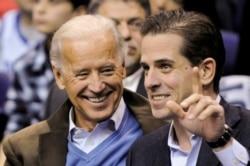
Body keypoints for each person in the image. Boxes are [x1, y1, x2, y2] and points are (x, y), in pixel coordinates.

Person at [2, 14, 166, 165]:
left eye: (106, 70)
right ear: (59, 76)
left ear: (122, 67)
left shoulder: (166, 130)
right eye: (82, 74)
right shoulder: (24, 149)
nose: (97, 86)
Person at [126, 10, 250, 166]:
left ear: (206, 71)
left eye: (165, 66)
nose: (149, 83)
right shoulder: (141, 151)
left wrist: (221, 142)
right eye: (146, 68)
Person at [44, 0, 150, 119]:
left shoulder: (163, 86)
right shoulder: (59, 95)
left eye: (135, 24)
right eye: (114, 24)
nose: (125, 34)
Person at [2, 0, 89, 135]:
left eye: (53, 2)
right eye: (37, 2)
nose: (40, 10)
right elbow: (15, 129)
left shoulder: (96, 63)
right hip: (37, 150)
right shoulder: (24, 65)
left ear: (79, 12)